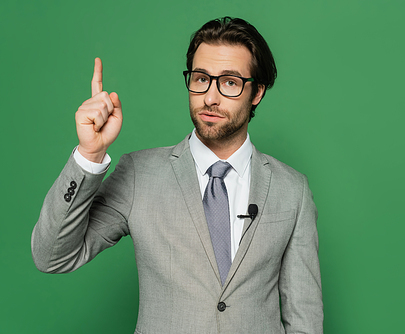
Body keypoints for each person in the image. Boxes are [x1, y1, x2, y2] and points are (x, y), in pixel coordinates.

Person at [32, 17, 323, 333]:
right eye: (201, 79)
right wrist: (89, 155)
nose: (210, 97)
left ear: (257, 93)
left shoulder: (292, 189)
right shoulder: (138, 175)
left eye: (229, 82)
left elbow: (303, 317)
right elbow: (52, 257)